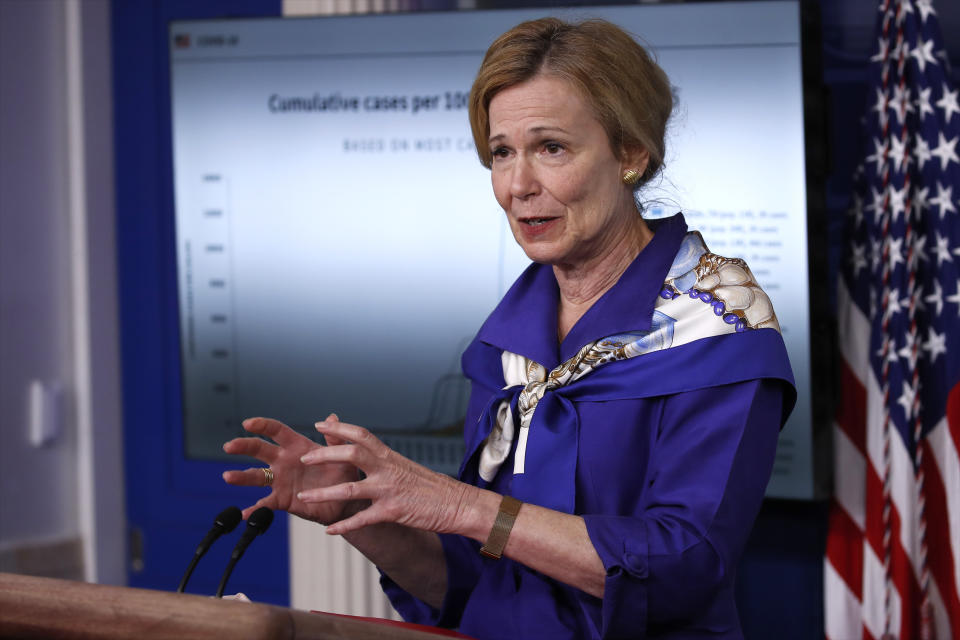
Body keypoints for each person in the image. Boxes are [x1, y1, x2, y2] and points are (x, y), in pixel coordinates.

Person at [223, 17, 796, 640]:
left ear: (631, 153)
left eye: (551, 147)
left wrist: (462, 505)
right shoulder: (508, 341)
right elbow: (475, 587)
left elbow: (686, 564)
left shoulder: (718, 330)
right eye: (502, 153)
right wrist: (367, 510)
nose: (519, 186)